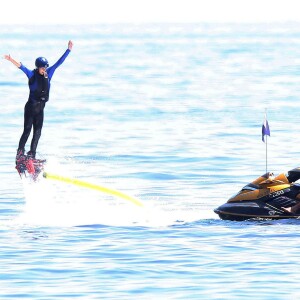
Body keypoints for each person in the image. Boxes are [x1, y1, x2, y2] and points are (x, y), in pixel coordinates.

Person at [4, 40, 73, 161]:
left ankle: (32, 156)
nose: (44, 70)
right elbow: (21, 66)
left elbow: (59, 63)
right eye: (42, 68)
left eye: (45, 68)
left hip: (40, 109)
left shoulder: (49, 73)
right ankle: (20, 153)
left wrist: (68, 50)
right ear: (38, 67)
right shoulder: (32, 75)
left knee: (38, 133)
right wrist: (11, 59)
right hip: (30, 108)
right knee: (27, 130)